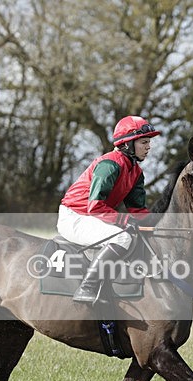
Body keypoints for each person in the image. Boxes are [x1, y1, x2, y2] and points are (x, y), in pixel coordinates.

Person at [57, 115, 161, 304]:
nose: (149, 147)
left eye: (149, 142)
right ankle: (87, 287)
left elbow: (137, 211)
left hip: (92, 216)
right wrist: (124, 221)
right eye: (144, 142)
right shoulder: (109, 164)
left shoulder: (136, 171)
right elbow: (95, 207)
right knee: (122, 236)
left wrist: (161, 222)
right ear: (128, 144)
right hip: (74, 216)